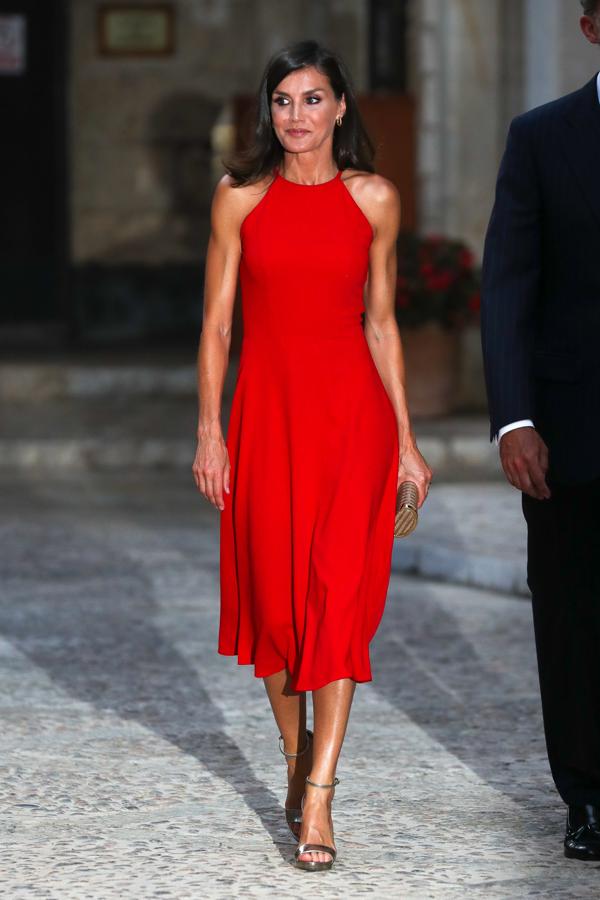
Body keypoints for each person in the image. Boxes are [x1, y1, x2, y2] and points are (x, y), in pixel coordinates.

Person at [192, 40, 431, 871]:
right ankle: (297, 760)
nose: (297, 115)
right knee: (275, 609)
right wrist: (209, 431)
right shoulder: (239, 198)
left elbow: (382, 323)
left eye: (313, 99)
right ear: (270, 111)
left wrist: (405, 440)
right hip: (265, 419)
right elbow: (218, 326)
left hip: (350, 424)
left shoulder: (375, 199)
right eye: (283, 100)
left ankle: (320, 792)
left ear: (339, 107)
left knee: (334, 597)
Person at [481, 2, 600, 863]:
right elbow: (509, 285)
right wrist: (515, 418)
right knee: (572, 620)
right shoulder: (540, 136)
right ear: (592, 28)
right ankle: (588, 798)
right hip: (569, 428)